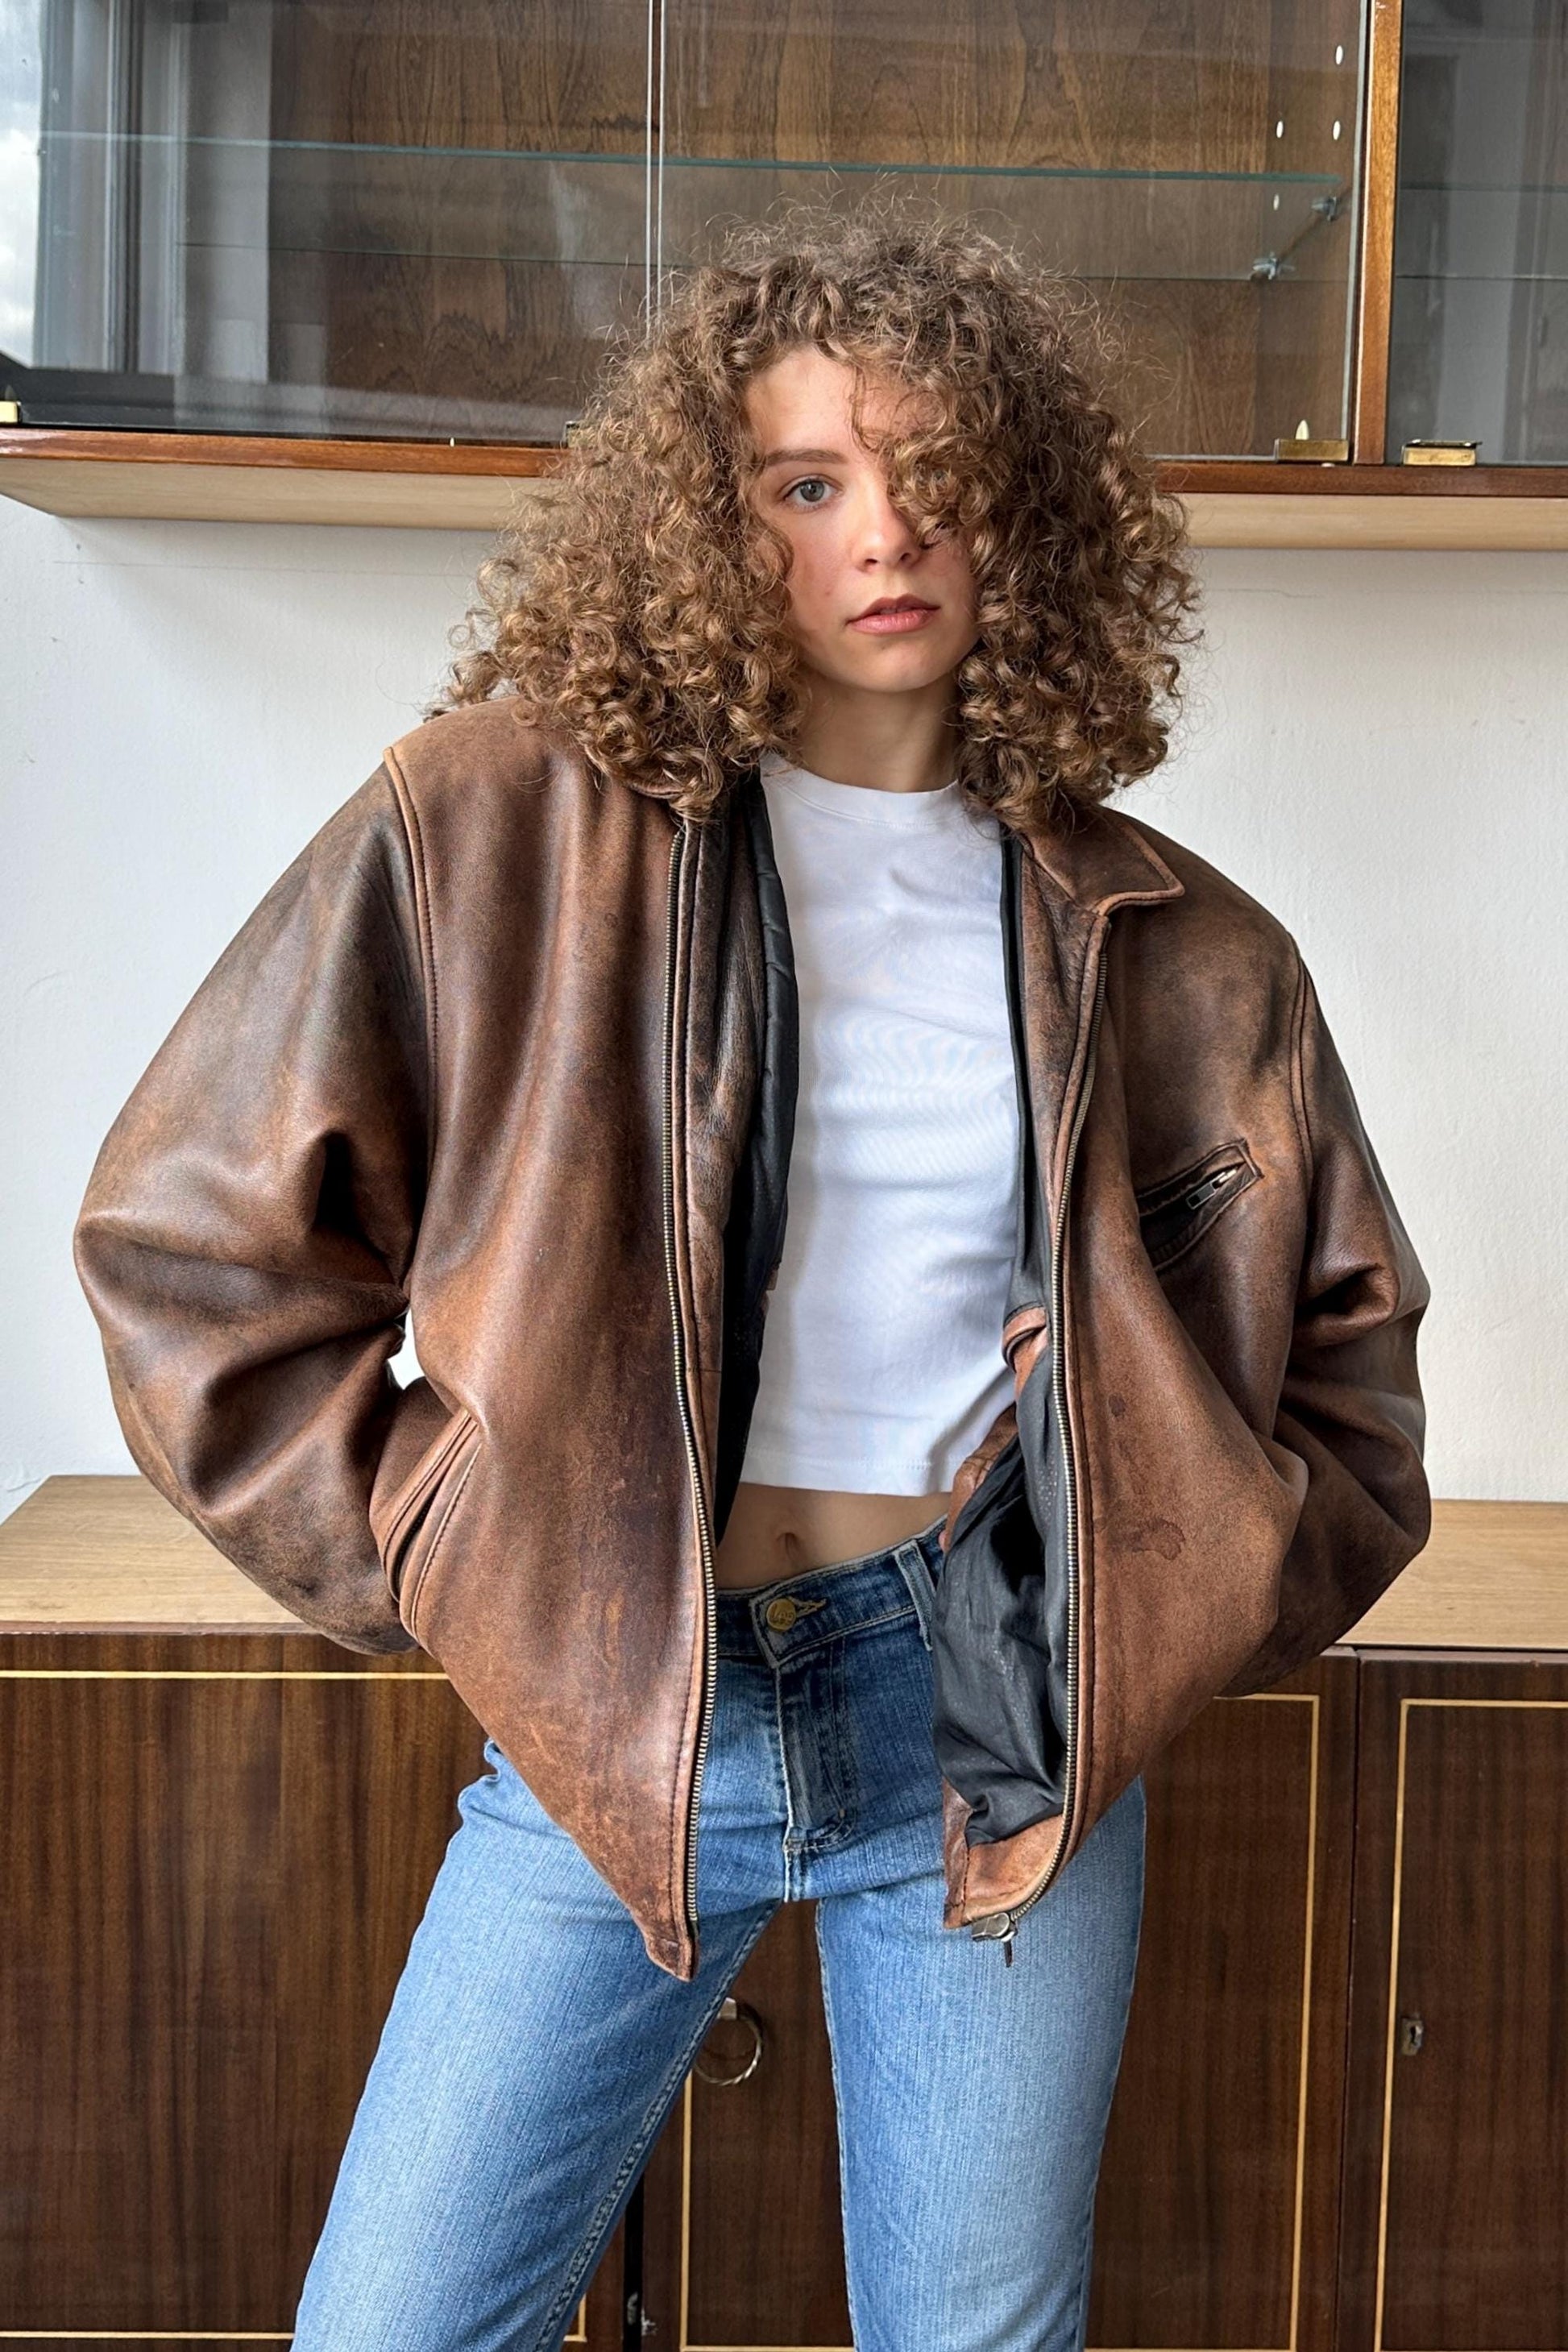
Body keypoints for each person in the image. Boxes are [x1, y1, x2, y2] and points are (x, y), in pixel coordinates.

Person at [73, 199, 1431, 2352]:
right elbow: (191, 1246)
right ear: (711, 529)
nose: (878, 533)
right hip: (625, 1704)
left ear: (1027, 523)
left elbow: (1345, 1390)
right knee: (399, 2329)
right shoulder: (492, 829)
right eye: (805, 484)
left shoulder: (1180, 943)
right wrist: (448, 1536)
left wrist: (1141, 1512)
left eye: (931, 481)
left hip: (994, 1711)